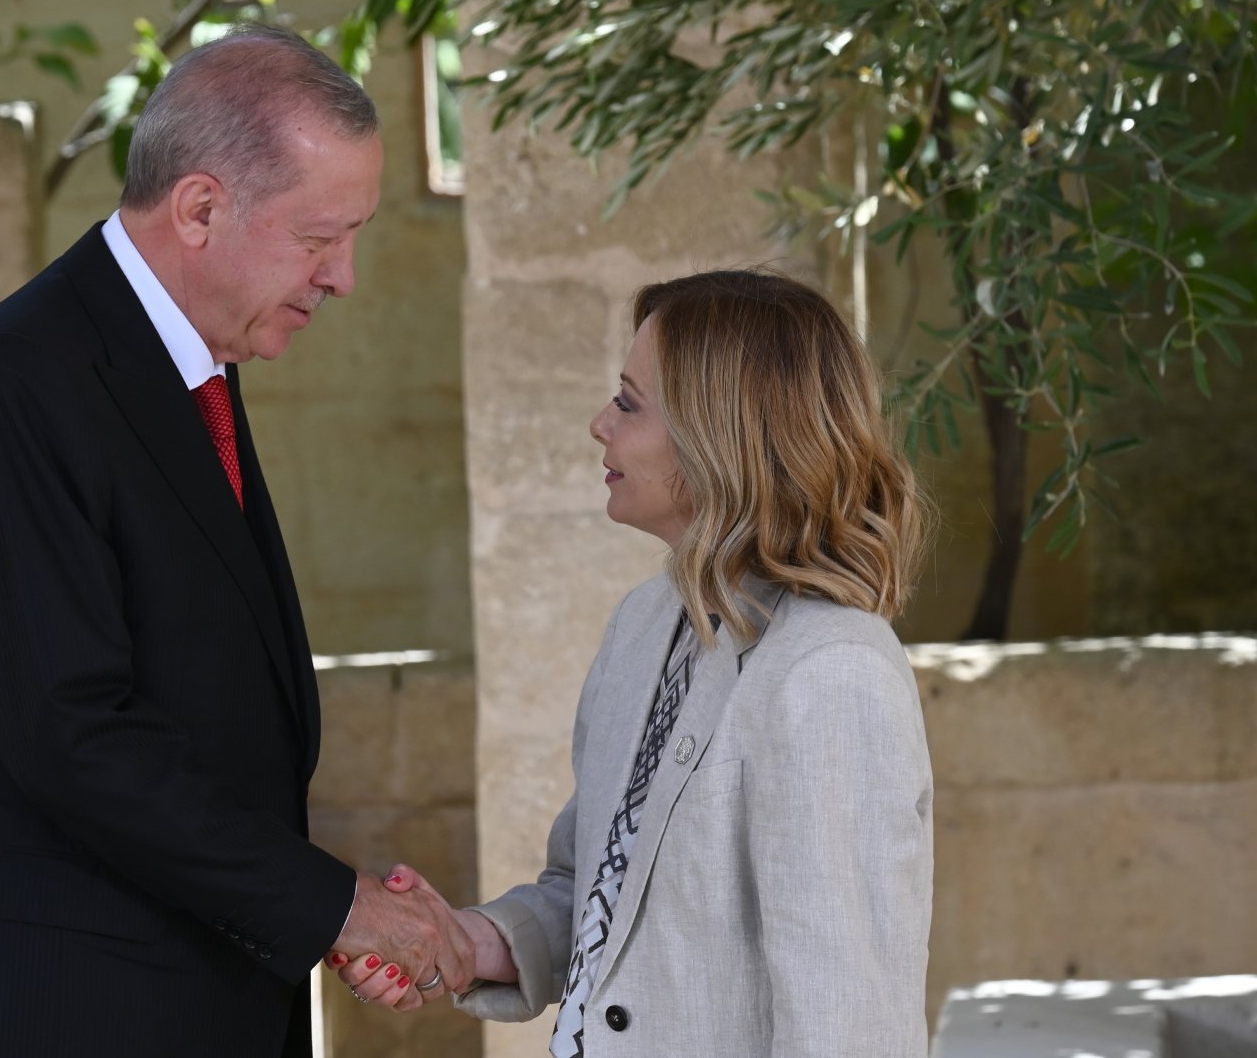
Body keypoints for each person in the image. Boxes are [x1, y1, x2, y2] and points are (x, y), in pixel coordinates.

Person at [0, 25, 470, 1058]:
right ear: (201, 208)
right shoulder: (17, 382)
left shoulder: (188, 363)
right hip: (33, 1012)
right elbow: (73, 734)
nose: (343, 277)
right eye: (318, 238)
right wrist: (335, 908)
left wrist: (321, 910)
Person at [333, 269, 934, 1055]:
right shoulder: (647, 625)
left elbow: (846, 1021)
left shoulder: (831, 676)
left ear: (718, 437)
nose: (598, 425)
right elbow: (593, 888)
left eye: (627, 402)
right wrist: (467, 941)